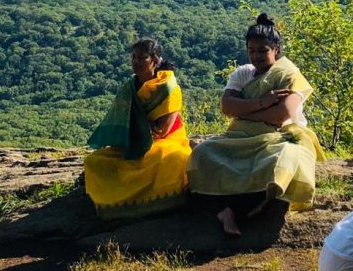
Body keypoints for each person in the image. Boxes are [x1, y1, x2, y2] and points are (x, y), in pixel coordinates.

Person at [187, 13, 323, 236]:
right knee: (202, 153)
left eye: (263, 51)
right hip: (241, 136)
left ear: (276, 50)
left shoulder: (289, 75)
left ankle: (234, 211)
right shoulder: (243, 74)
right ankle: (227, 209)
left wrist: (247, 110)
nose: (256, 56)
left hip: (279, 136)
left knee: (281, 160)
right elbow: (227, 107)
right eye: (252, 51)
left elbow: (282, 114)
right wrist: (263, 102)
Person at [84, 38, 191, 219]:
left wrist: (141, 128)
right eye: (133, 57)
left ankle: (157, 203)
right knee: (94, 161)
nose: (136, 62)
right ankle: (110, 206)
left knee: (165, 157)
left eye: (142, 58)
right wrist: (135, 131)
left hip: (165, 140)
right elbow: (119, 118)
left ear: (155, 60)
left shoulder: (168, 87)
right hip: (136, 139)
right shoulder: (130, 87)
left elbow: (162, 130)